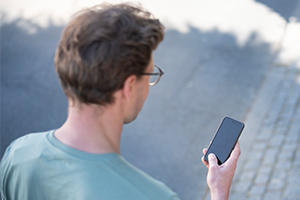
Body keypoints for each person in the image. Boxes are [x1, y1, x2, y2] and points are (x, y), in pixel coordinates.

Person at [0, 3, 240, 200]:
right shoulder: (152, 196)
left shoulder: (19, 156)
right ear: (128, 86)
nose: (149, 86)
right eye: (150, 75)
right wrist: (219, 192)